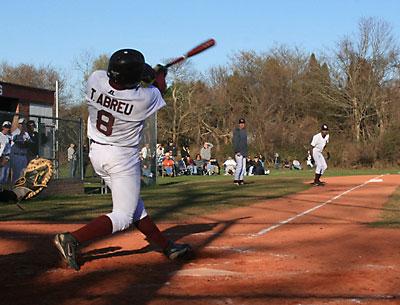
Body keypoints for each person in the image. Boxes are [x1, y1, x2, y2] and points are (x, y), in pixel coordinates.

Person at [53, 48, 191, 271]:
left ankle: (167, 247)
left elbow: (129, 81)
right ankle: (72, 239)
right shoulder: (144, 99)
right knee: (124, 215)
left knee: (135, 207)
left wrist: (148, 74)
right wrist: (159, 76)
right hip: (121, 158)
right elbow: (159, 89)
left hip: (97, 153)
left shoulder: (95, 79)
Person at [10, 118, 31, 184]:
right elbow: (13, 145)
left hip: (24, 156)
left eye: (24, 124)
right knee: (16, 174)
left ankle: (20, 188)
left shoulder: (26, 134)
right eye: (21, 124)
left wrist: (27, 142)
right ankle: (13, 189)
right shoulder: (15, 133)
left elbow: (31, 143)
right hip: (16, 155)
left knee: (23, 174)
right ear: (18, 125)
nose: (22, 126)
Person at [232, 118, 248, 185]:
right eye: (241, 123)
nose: (242, 125)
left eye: (243, 123)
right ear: (239, 124)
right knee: (239, 166)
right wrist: (237, 151)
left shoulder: (245, 131)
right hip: (239, 151)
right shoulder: (237, 131)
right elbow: (235, 142)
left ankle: (241, 179)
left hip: (244, 151)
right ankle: (236, 179)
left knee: (243, 167)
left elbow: (245, 143)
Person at [0, 121, 12, 188]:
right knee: (1, 175)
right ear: (3, 127)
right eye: (6, 127)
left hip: (8, 156)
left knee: (5, 176)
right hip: (2, 156)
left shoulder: (10, 136)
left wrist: (7, 157)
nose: (7, 129)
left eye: (8, 127)